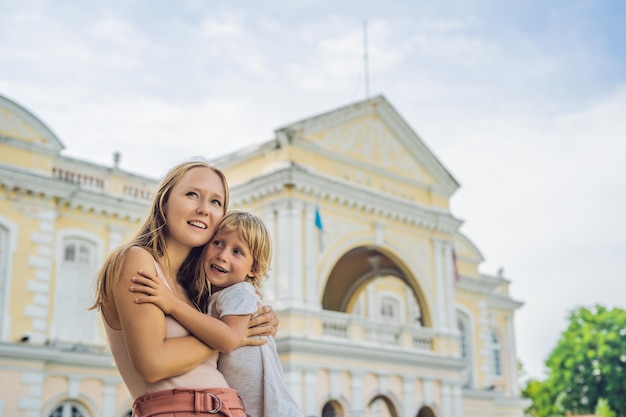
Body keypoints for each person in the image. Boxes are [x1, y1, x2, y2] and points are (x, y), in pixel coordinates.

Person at [90, 160, 279, 417]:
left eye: (216, 202)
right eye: (192, 194)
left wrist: (250, 326)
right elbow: (153, 364)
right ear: (164, 201)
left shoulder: (195, 290)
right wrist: (231, 337)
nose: (203, 209)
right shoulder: (137, 260)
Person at [130, 210, 305, 417]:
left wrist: (172, 304)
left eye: (237, 252)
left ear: (254, 269)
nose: (222, 255)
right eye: (218, 243)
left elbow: (228, 338)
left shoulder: (240, 292)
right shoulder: (216, 297)